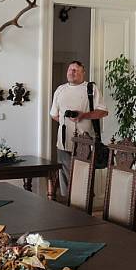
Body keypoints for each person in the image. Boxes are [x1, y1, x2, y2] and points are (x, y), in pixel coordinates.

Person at [50, 61, 108, 198]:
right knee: (64, 175)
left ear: (83, 73)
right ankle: (66, 208)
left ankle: (84, 211)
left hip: (86, 143)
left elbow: (103, 112)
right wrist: (66, 121)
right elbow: (54, 115)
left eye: (76, 70)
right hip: (64, 142)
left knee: (84, 178)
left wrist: (83, 116)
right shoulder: (60, 89)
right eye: (70, 69)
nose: (72, 72)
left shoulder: (91, 88)